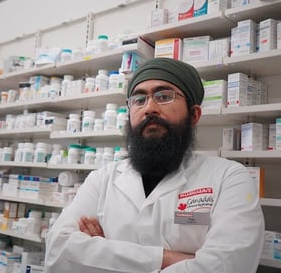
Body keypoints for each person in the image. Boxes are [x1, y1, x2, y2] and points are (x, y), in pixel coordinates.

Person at [45, 57, 265, 273]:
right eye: (139, 100)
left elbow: (229, 266)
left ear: (194, 114)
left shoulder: (229, 177)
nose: (149, 108)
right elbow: (58, 252)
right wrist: (167, 258)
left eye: (164, 96)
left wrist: (103, 255)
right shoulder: (101, 180)